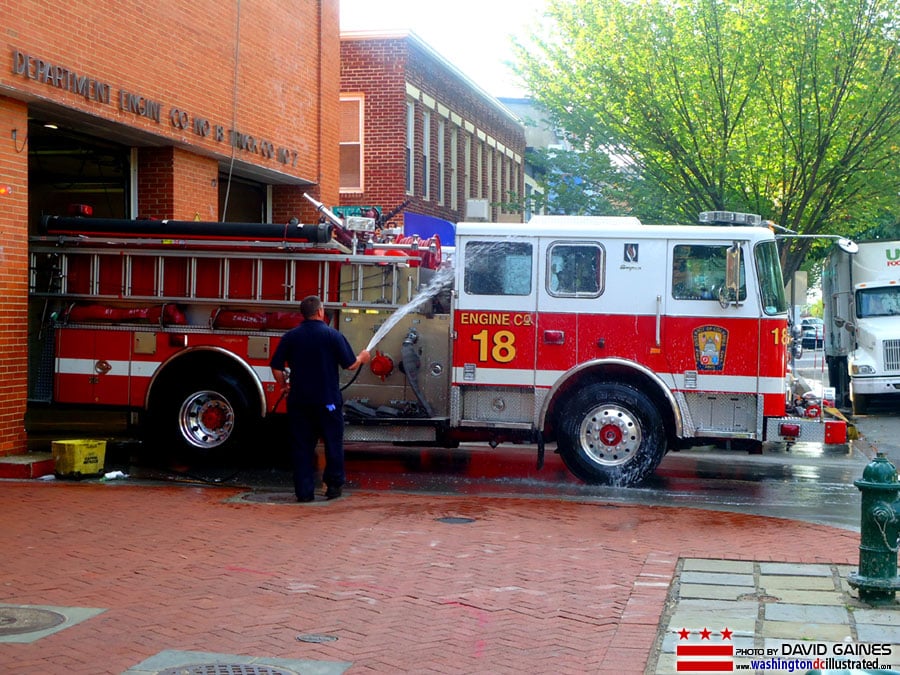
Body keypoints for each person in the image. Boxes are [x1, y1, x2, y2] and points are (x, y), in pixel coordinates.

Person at [270, 295, 371, 502]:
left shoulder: (291, 336)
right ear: (320, 312)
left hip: (299, 402)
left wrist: (284, 386)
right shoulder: (332, 335)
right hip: (328, 402)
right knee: (333, 443)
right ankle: (333, 487)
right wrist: (362, 357)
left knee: (302, 447)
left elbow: (277, 366)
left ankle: (304, 492)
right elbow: (350, 364)